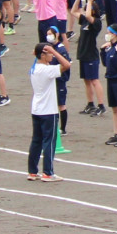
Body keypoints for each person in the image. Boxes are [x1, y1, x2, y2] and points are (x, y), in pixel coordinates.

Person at [26, 42, 71, 182]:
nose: (52, 55)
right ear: (43, 55)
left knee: (36, 141)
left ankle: (33, 172)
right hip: (48, 111)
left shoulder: (35, 68)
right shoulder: (46, 70)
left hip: (37, 109)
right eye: (49, 53)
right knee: (49, 141)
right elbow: (67, 65)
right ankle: (48, 173)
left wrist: (50, 52)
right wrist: (55, 51)